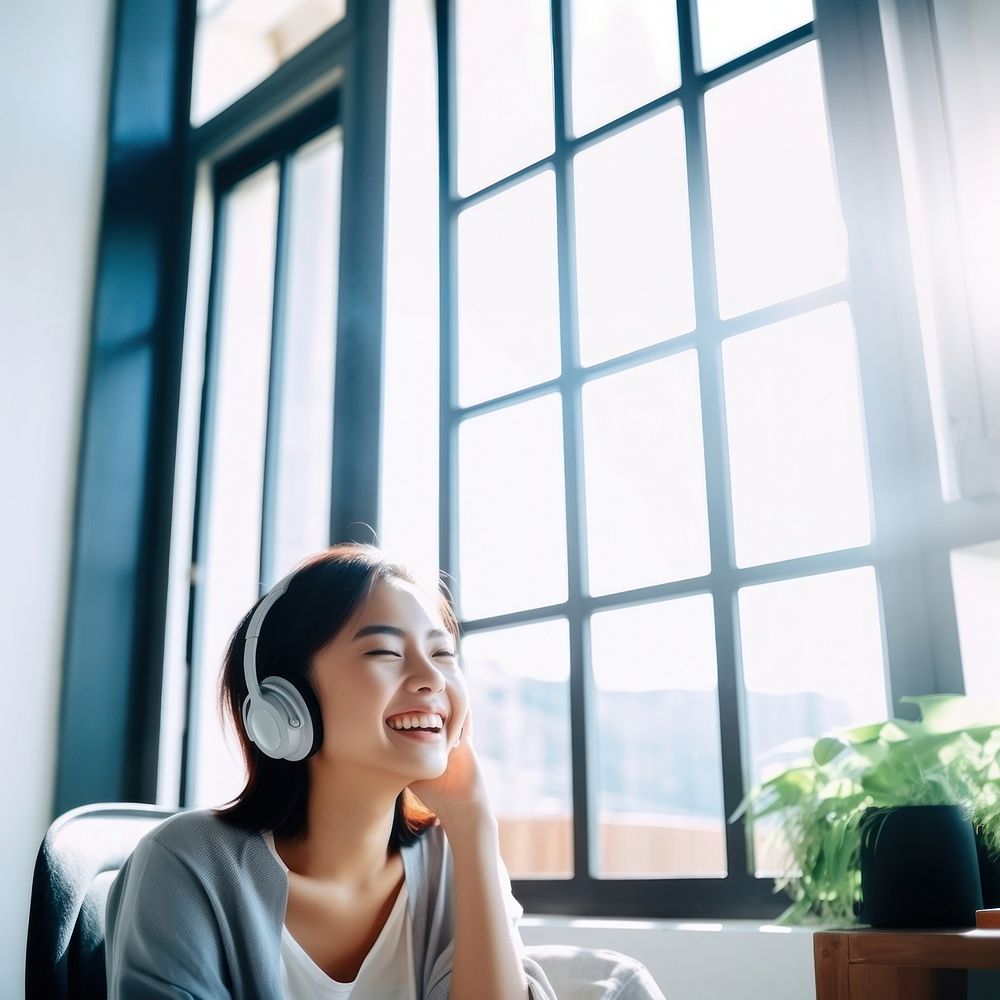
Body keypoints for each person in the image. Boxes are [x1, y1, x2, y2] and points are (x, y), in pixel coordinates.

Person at [104, 543, 665, 999]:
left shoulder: (450, 857)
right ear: (285, 703)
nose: (431, 679)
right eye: (384, 653)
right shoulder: (186, 866)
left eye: (443, 655)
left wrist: (473, 826)